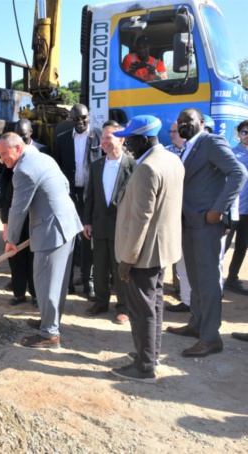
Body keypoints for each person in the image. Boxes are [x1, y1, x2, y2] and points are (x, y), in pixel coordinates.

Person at [167, 108, 247, 358]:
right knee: (195, 278)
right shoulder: (188, 147)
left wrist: (218, 209)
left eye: (188, 120)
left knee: (209, 281)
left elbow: (238, 173)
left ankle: (211, 338)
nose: (183, 124)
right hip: (189, 223)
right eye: (180, 121)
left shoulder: (211, 142)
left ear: (201, 122)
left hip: (206, 224)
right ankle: (197, 324)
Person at [111, 115, 184, 384]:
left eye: (129, 140)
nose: (126, 145)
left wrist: (127, 259)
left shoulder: (147, 168)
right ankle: (149, 354)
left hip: (144, 253)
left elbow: (142, 217)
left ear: (143, 140)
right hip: (162, 248)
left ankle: (144, 367)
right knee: (154, 304)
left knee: (142, 309)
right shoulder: (172, 159)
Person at [0, 132, 82, 349]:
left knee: (46, 283)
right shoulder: (42, 158)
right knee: (57, 282)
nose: (3, 159)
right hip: (67, 223)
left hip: (52, 230)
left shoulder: (24, 170)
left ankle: (49, 334)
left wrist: (11, 239)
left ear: (17, 148)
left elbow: (18, 209)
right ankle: (49, 321)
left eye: (5, 153)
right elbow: (64, 184)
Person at [82, 122, 136, 324]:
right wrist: (86, 221)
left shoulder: (132, 165)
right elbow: (91, 197)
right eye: (102, 138)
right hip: (99, 225)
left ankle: (123, 306)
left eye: (108, 137)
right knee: (100, 266)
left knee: (120, 268)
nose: (103, 142)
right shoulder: (97, 165)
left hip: (121, 227)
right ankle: (100, 302)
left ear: (121, 139)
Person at [53, 103, 102, 300]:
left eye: (83, 118)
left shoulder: (99, 137)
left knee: (88, 239)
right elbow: (57, 169)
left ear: (89, 116)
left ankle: (87, 281)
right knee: (70, 239)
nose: (80, 122)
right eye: (75, 119)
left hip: (92, 197)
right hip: (70, 197)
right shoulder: (63, 139)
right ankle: (68, 282)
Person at [0, 119, 48, 306]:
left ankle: (36, 294)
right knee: (16, 254)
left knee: (35, 256)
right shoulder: (9, 156)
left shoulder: (42, 153)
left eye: (24, 136)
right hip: (16, 212)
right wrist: (5, 221)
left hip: (35, 215)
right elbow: (6, 190)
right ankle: (19, 293)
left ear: (31, 134)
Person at [164, 120, 189, 311]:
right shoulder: (166, 153)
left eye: (176, 131)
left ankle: (187, 296)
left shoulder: (193, 151)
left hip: (188, 212)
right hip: (170, 212)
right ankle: (179, 290)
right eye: (171, 131)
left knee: (186, 257)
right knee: (171, 253)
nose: (172, 134)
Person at [224, 120, 248, 295]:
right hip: (233, 210)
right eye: (244, 132)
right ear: (239, 134)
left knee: (241, 246)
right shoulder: (231, 155)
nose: (247, 136)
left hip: (247, 212)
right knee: (223, 246)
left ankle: (232, 278)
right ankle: (214, 279)